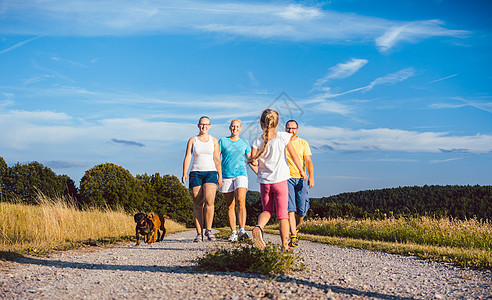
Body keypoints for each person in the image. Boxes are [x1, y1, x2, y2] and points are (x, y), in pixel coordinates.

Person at [249, 109, 307, 251]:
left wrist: (257, 168)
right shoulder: (283, 137)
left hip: (265, 183)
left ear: (261, 123)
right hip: (280, 181)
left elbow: (253, 161)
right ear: (278, 123)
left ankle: (258, 227)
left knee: (267, 210)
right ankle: (284, 245)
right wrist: (301, 171)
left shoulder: (256, 141)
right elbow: (294, 156)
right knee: (282, 215)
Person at [182, 116, 222, 242]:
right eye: (202, 124)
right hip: (196, 173)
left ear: (210, 126)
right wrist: (184, 172)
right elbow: (188, 156)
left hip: (210, 172)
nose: (204, 127)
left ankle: (208, 230)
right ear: (198, 125)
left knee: (210, 201)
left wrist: (220, 176)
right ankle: (199, 233)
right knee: (198, 203)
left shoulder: (214, 140)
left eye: (207, 124)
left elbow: (216, 158)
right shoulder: (192, 140)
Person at [219, 119, 256, 242]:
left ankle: (242, 230)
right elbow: (216, 158)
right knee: (230, 205)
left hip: (241, 174)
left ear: (240, 128)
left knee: (241, 201)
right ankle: (233, 233)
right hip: (226, 175)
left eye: (237, 126)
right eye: (233, 126)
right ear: (230, 127)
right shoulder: (222, 141)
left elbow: (250, 160)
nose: (235, 128)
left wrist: (259, 171)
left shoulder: (245, 143)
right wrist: (217, 175)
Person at [285, 120, 315, 248]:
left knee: (302, 211)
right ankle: (293, 235)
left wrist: (311, 177)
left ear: (297, 129)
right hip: (286, 178)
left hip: (301, 178)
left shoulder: (303, 143)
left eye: (293, 128)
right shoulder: (282, 142)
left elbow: (308, 160)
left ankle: (294, 228)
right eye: (288, 128)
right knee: (291, 209)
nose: (290, 131)